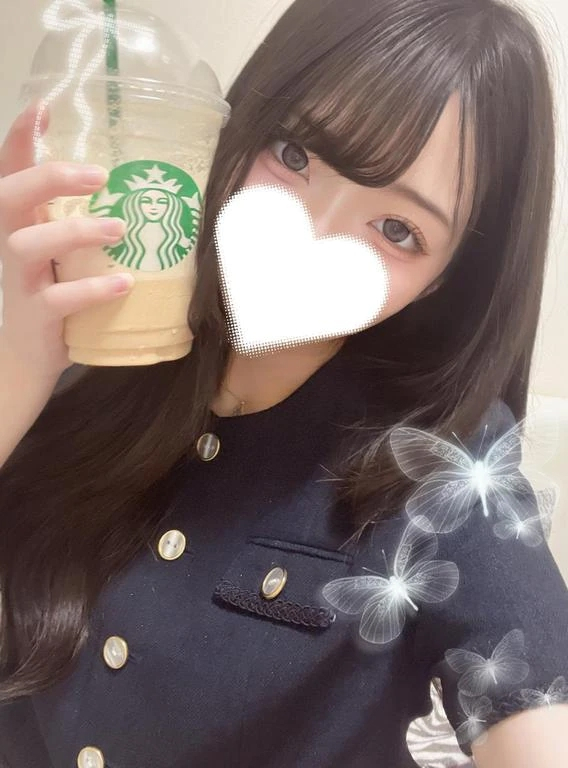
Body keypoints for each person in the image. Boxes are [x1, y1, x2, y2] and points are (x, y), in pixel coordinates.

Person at [0, 0, 567, 766]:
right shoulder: (96, 327)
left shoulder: (440, 460)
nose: (310, 233)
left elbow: (540, 718)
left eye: (398, 230)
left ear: (444, 278)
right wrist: (16, 365)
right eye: (294, 153)